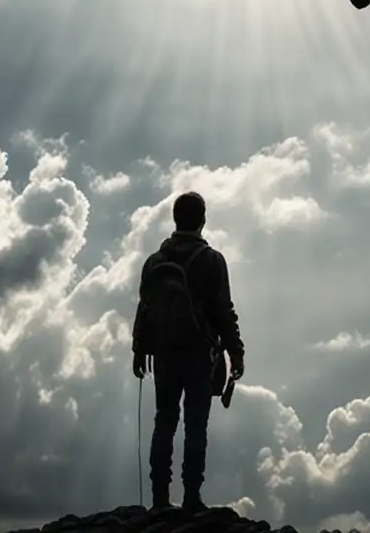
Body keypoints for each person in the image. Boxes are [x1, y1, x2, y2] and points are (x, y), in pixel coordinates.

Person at [132, 191, 245, 512]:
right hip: (199, 353)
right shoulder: (211, 260)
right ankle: (192, 498)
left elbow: (145, 308)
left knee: (164, 420)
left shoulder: (155, 262)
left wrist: (139, 349)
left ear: (175, 218)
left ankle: (159, 499)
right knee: (196, 423)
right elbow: (224, 310)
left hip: (164, 353)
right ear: (203, 219)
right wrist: (236, 351)